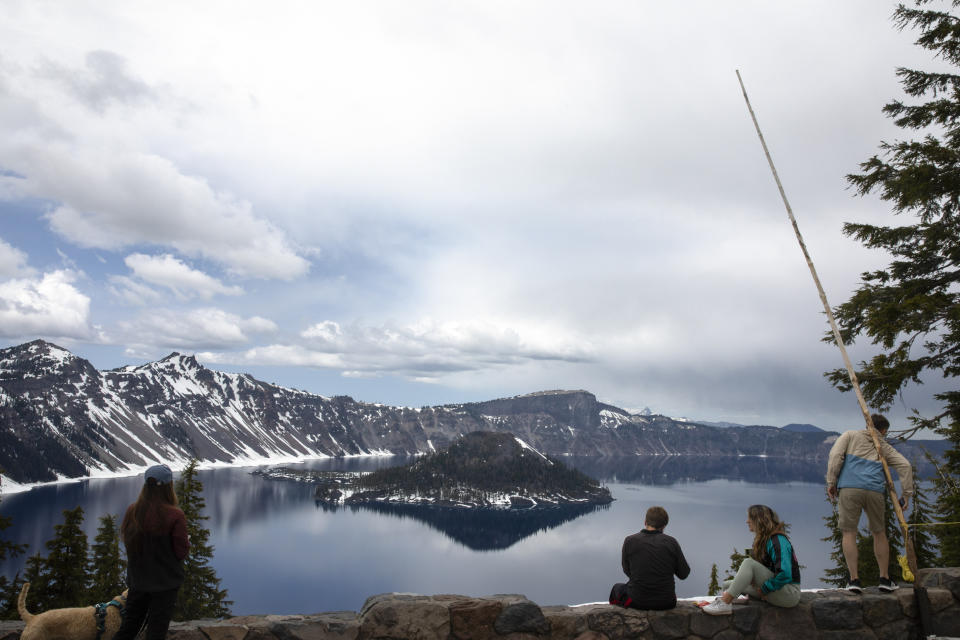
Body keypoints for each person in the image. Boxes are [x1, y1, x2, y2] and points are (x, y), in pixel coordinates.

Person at [825, 413, 913, 593]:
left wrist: (831, 482)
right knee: (879, 533)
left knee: (849, 533)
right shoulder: (883, 446)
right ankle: (884, 578)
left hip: (850, 488)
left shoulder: (849, 435)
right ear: (883, 430)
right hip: (874, 490)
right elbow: (905, 466)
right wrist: (906, 494)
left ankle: (854, 580)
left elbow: (835, 455)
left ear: (867, 425)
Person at [112, 464, 190, 640]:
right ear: (169, 487)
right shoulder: (175, 515)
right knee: (156, 630)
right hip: (165, 583)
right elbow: (181, 552)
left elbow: (129, 543)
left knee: (129, 626)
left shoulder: (133, 510)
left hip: (138, 581)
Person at [703, 504, 801, 615]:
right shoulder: (764, 540)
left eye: (750, 518)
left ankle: (724, 603)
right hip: (778, 589)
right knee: (728, 586)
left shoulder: (778, 540)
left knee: (748, 563)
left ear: (759, 520)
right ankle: (726, 603)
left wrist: (764, 589)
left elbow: (785, 574)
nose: (747, 521)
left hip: (789, 594)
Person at [610, 505, 690, 610]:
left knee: (616, 589)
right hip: (667, 602)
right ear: (664, 525)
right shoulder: (671, 542)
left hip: (636, 601)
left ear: (645, 522)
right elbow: (684, 574)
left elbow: (627, 571)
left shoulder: (630, 541)